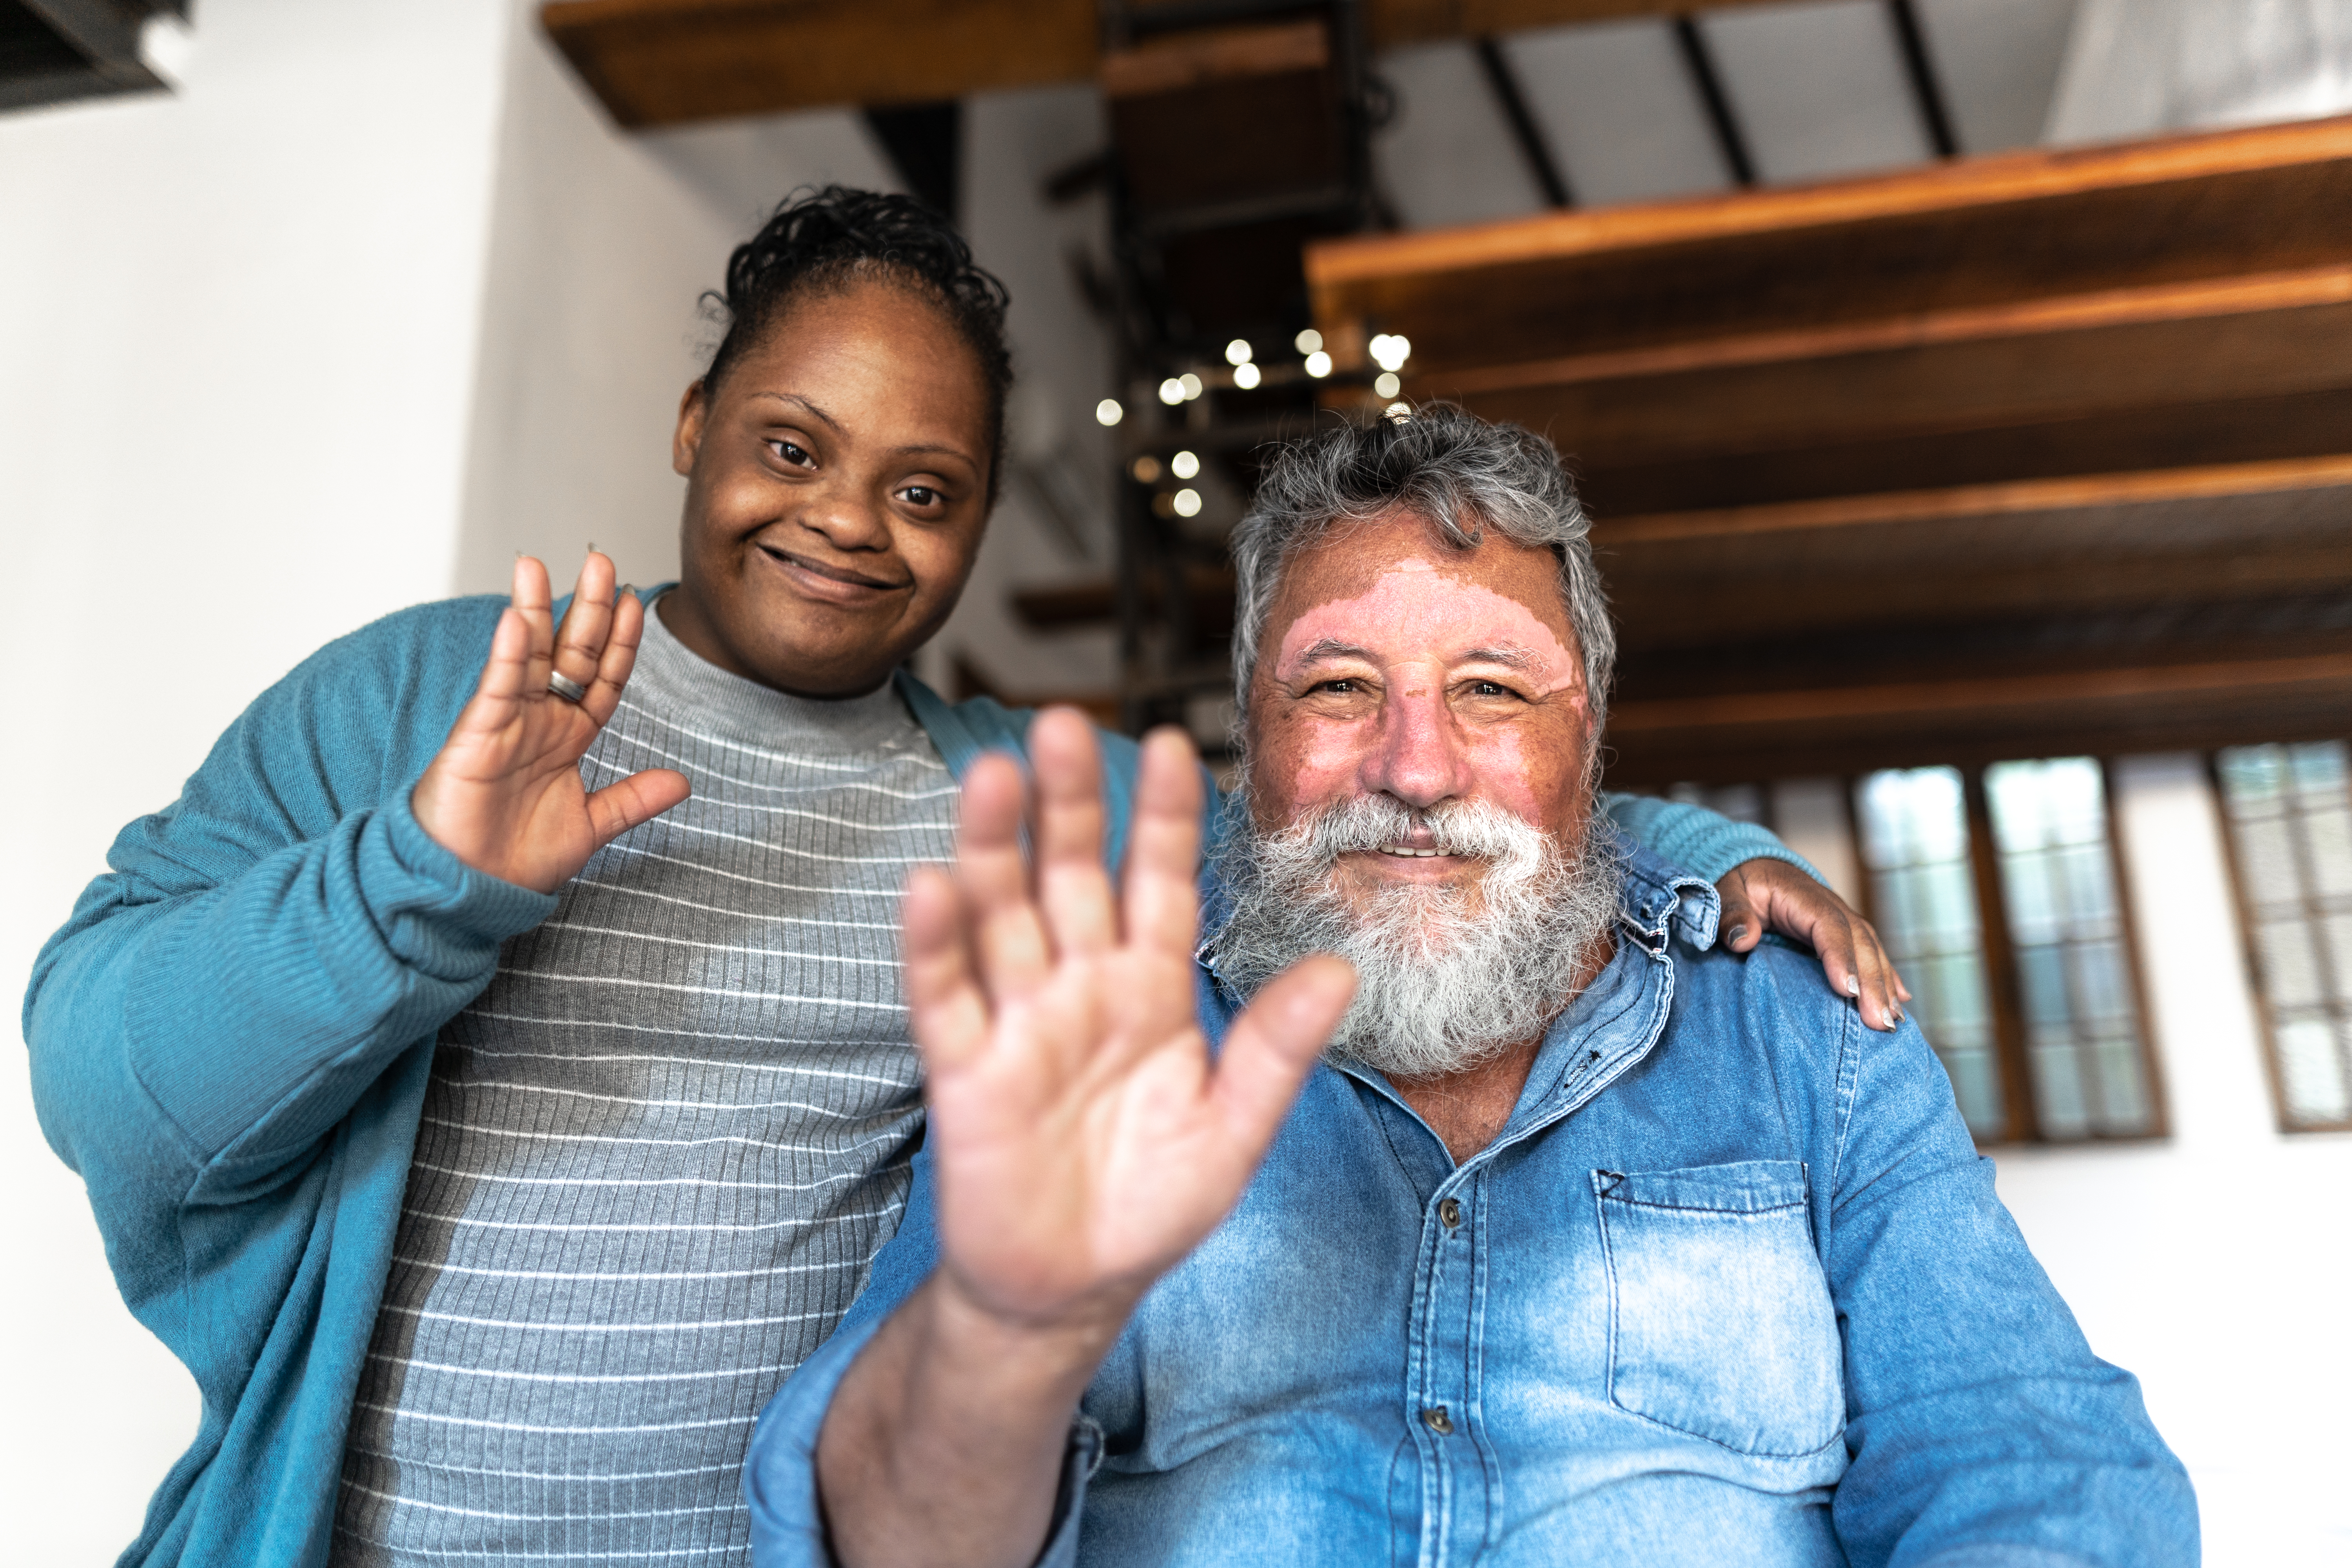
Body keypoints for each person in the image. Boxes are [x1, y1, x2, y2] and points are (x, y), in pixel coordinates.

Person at [23, 197, 1893, 1568]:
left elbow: (1380, 833)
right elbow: (101, 1082)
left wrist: (1698, 856)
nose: (848, 519)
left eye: (926, 490)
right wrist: (418, 876)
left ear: (980, 529)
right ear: (694, 428)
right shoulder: (432, 698)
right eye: (790, 448)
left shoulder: (1013, 801)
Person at [751, 407, 2198, 1568]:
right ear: (1246, 743)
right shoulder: (1097, 1026)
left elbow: (2029, 1459)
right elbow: (878, 1537)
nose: (1418, 771)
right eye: (1336, 691)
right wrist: (1006, 1337)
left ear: (1594, 740)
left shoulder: (1802, 1030)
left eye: (1493, 690)